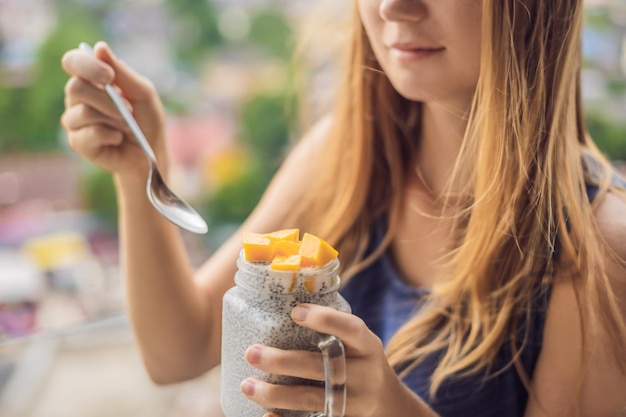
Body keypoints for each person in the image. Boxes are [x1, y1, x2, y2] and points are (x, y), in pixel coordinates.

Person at [60, 0, 626, 416]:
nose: (392, 7)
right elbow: (178, 350)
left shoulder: (602, 250)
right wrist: (141, 173)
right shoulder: (345, 159)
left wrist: (390, 407)